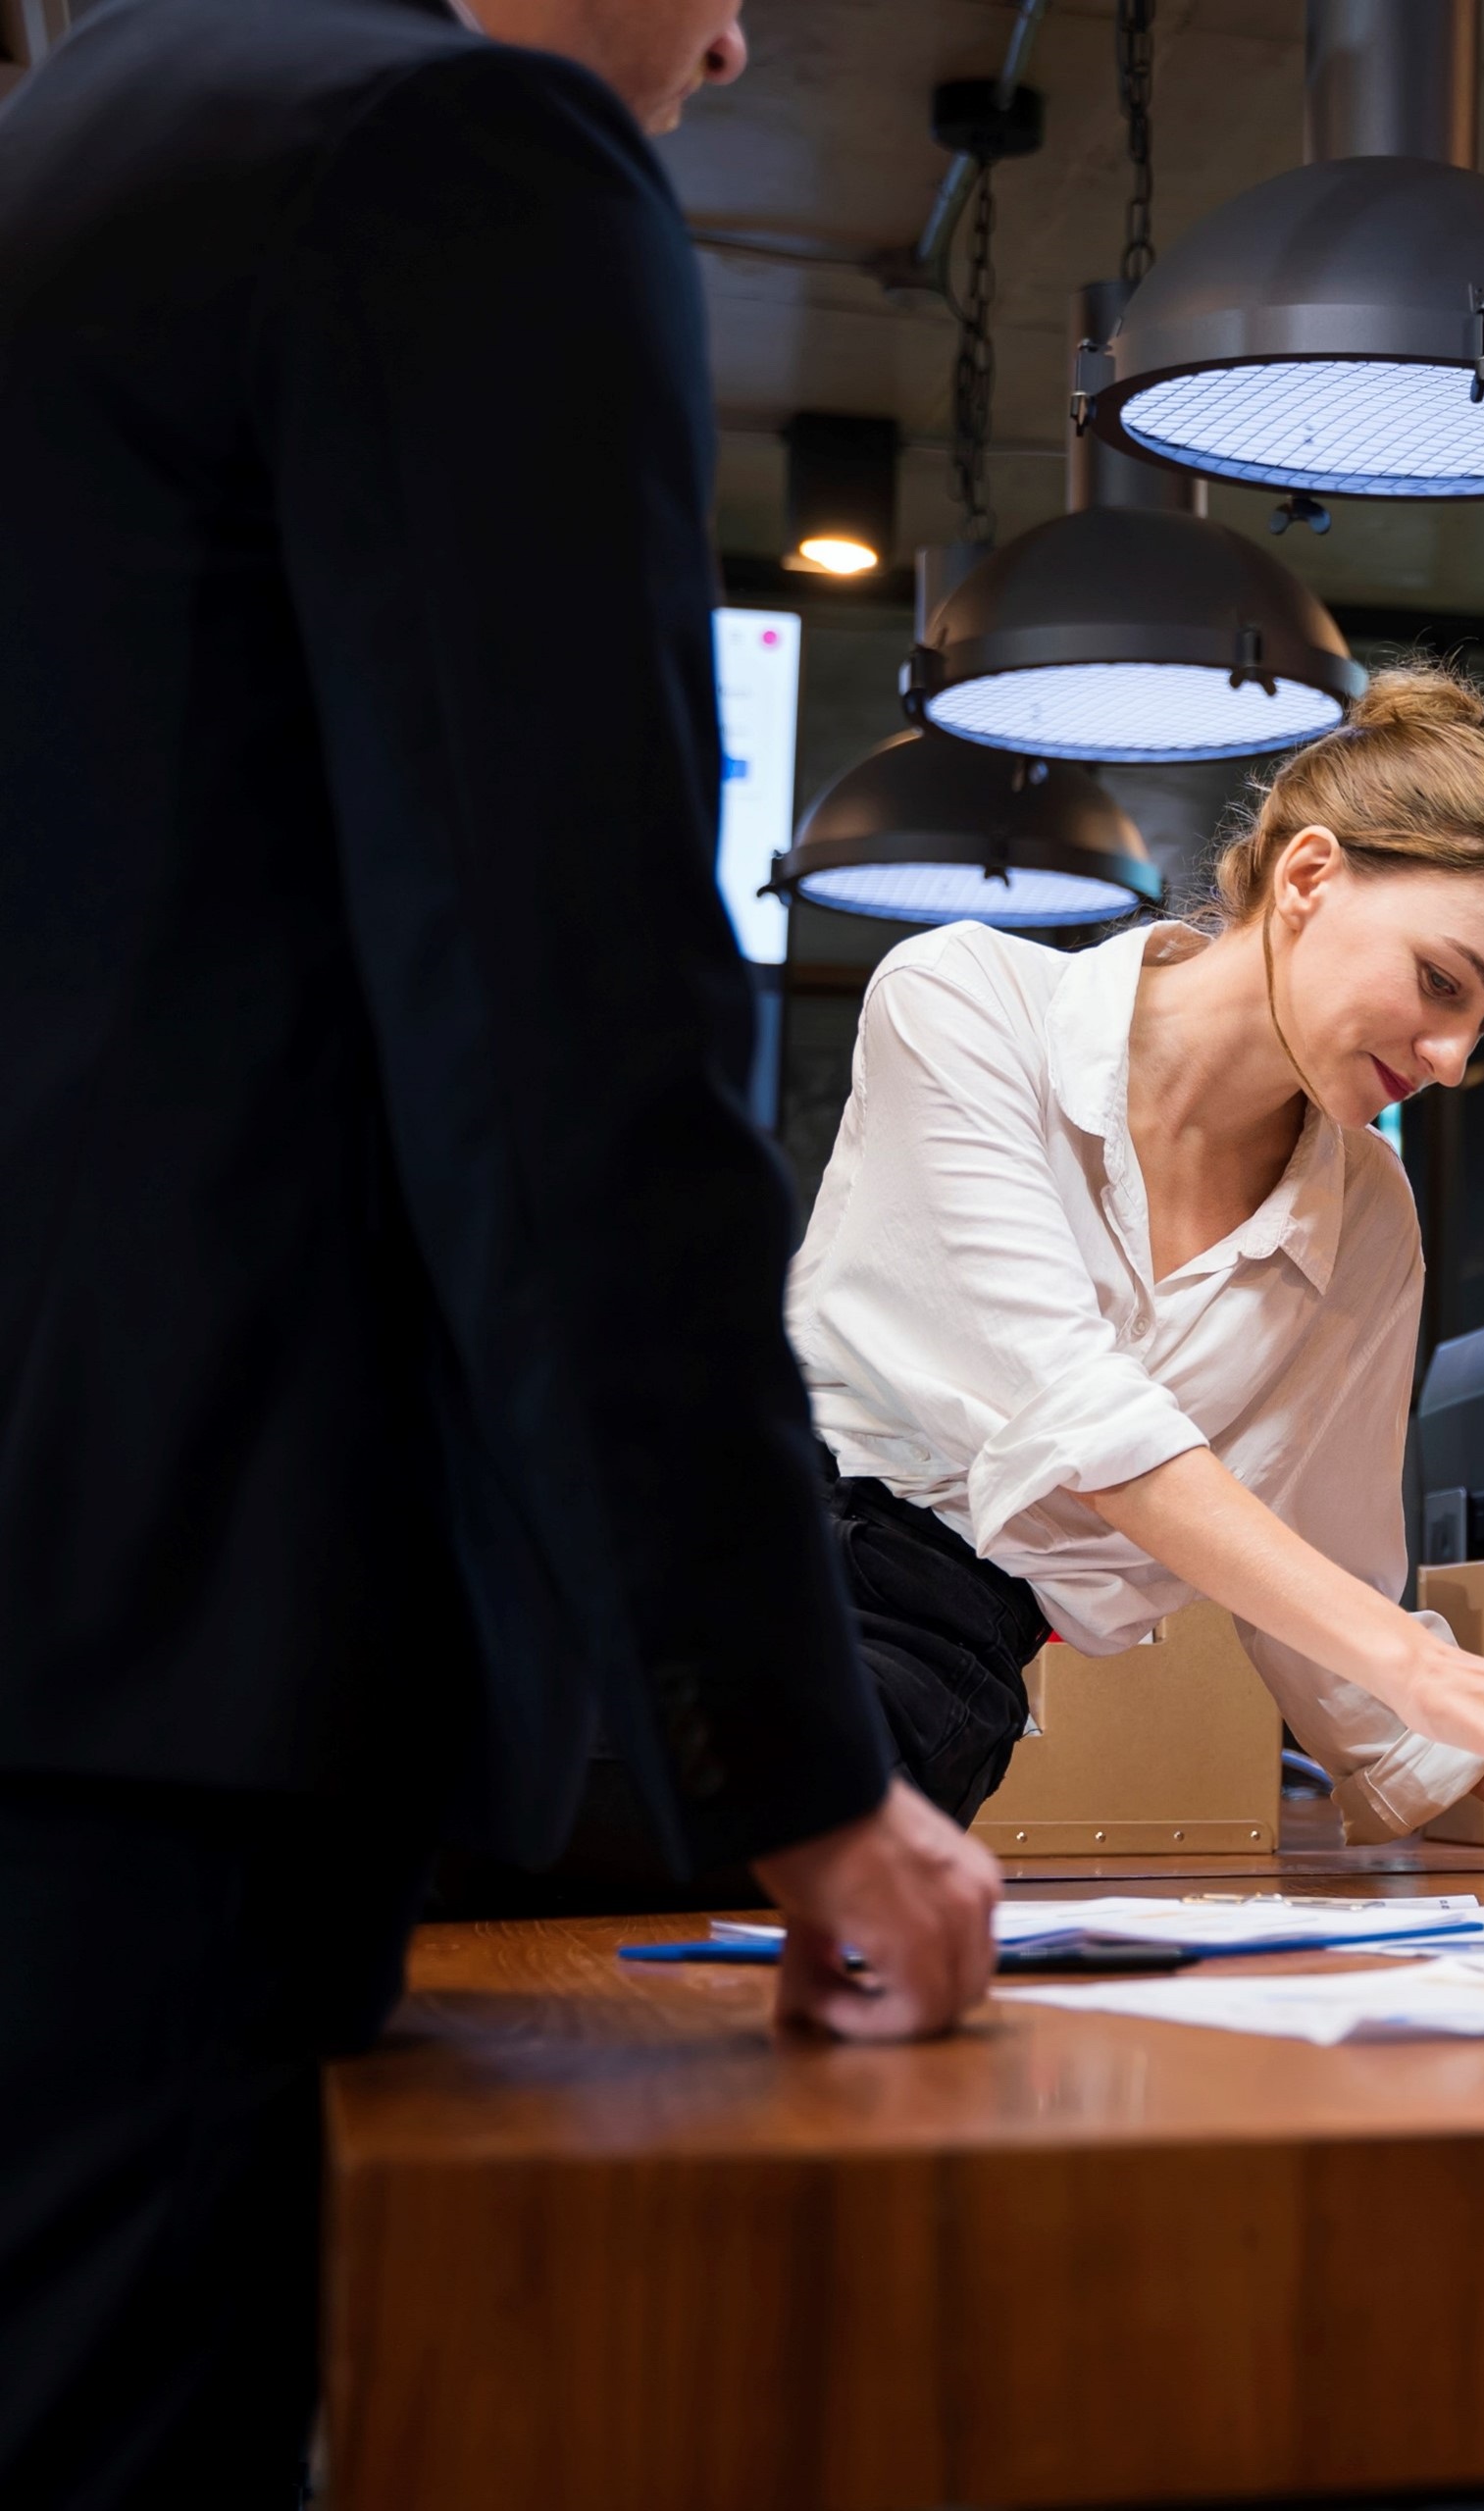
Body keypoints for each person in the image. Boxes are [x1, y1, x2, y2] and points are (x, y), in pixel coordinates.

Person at [0, 1, 999, 2503]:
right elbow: (572, 1012)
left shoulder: (109, 115)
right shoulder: (457, 153)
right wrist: (798, 1760)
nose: (737, 29)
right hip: (176, 1651)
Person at [793, 669, 1484, 1881]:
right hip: (744, 1569)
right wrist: (1432, 1665)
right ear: (1309, 878)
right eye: (1441, 981)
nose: (1447, 1059)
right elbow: (1080, 1416)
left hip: (932, 1691)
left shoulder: (1369, 1219)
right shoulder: (964, 1001)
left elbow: (1326, 1581)